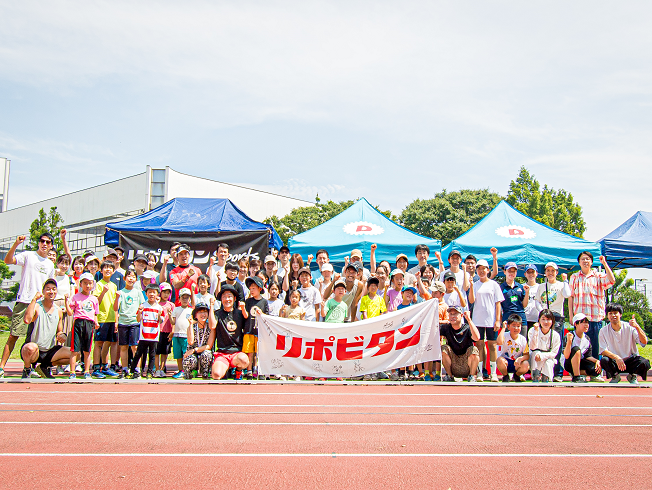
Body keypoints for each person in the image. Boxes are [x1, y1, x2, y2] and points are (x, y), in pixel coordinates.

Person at [0, 233, 55, 378]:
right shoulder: (28, 255)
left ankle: (27, 369)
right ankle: (1, 367)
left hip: (39, 305)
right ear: (38, 243)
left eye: (48, 242)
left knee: (32, 339)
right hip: (24, 301)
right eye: (42, 241)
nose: (44, 244)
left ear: (51, 246)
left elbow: (50, 286)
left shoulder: (50, 264)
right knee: (14, 335)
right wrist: (16, 244)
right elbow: (7, 260)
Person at [569, 252, 615, 363]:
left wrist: (604, 263)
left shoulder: (598, 276)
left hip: (595, 319)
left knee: (595, 347)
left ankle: (595, 372)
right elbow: (570, 297)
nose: (585, 261)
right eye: (583, 259)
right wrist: (571, 316)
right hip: (580, 320)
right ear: (579, 262)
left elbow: (612, 280)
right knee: (579, 347)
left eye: (588, 259)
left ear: (592, 262)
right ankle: (579, 372)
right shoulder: (574, 277)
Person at [20, 279, 71, 379]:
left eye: (53, 289)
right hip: (35, 350)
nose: (51, 292)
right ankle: (27, 369)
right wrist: (34, 299)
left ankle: (43, 367)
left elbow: (59, 331)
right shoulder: (37, 306)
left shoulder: (59, 310)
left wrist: (62, 335)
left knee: (75, 354)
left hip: (49, 351)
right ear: (43, 292)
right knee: (30, 348)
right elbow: (27, 320)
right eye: (48, 289)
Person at [536, 262, 571, 381]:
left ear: (557, 272)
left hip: (557, 318)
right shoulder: (541, 286)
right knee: (543, 344)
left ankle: (558, 373)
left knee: (557, 345)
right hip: (545, 316)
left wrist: (566, 281)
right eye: (548, 270)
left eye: (553, 271)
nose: (550, 273)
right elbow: (537, 301)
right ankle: (543, 372)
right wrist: (542, 313)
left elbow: (567, 294)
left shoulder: (561, 285)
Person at [599, 303, 649, 385]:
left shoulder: (630, 327)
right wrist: (616, 357)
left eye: (615, 313)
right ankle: (615, 375)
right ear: (607, 316)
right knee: (604, 360)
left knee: (644, 363)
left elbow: (644, 342)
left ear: (620, 314)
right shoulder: (603, 331)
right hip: (615, 362)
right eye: (610, 313)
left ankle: (632, 375)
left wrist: (637, 326)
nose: (613, 315)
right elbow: (603, 350)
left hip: (630, 360)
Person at [470, 259, 503, 382]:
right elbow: (472, 301)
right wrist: (472, 286)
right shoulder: (475, 284)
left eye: (484, 268)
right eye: (479, 269)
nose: (481, 271)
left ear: (488, 270)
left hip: (491, 320)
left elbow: (498, 303)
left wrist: (497, 320)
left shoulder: (494, 284)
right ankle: (480, 372)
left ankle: (493, 372)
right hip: (477, 320)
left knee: (492, 345)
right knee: (479, 345)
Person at [66, 272, 100, 379]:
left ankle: (86, 371)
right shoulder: (76, 297)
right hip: (78, 323)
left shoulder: (94, 299)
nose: (87, 286)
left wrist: (96, 322)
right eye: (85, 283)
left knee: (87, 350)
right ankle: (72, 372)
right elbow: (70, 312)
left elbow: (95, 313)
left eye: (89, 283)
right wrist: (66, 302)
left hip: (89, 324)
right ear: (80, 284)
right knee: (75, 350)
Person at [212, 285, 249, 380]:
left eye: (229, 296)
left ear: (234, 298)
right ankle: (226, 369)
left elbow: (247, 319)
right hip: (222, 353)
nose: (227, 299)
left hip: (236, 353)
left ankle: (238, 371)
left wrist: (243, 308)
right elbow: (212, 326)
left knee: (244, 360)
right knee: (216, 375)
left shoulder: (240, 313)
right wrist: (211, 307)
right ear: (221, 299)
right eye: (224, 297)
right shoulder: (217, 314)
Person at [114, 269, 145, 379]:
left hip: (134, 323)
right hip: (123, 323)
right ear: (124, 278)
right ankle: (125, 368)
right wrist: (116, 322)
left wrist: (141, 309)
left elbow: (142, 305)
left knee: (135, 347)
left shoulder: (138, 292)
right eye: (129, 276)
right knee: (123, 347)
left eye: (133, 277)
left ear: (136, 279)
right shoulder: (121, 292)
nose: (131, 278)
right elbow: (115, 308)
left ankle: (136, 369)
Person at [91, 261, 119, 379]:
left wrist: (116, 320)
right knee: (98, 343)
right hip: (101, 318)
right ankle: (96, 367)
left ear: (113, 271)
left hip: (111, 318)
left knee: (109, 343)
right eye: (105, 268)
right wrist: (103, 291)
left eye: (110, 268)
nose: (108, 270)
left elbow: (115, 305)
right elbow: (95, 302)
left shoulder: (114, 285)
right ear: (101, 271)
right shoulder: (98, 284)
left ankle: (105, 366)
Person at [129, 283, 163, 379]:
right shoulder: (143, 305)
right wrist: (139, 312)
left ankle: (149, 372)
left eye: (154, 292)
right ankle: (132, 371)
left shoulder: (159, 307)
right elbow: (138, 319)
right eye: (150, 292)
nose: (152, 294)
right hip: (143, 335)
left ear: (157, 294)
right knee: (138, 354)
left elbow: (161, 321)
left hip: (154, 335)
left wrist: (160, 315)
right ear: (146, 294)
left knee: (152, 355)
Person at [440, 306, 481, 382]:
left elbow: (477, 338)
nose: (452, 316)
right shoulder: (446, 327)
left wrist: (469, 320)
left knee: (474, 349)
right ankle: (449, 376)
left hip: (466, 364)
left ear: (461, 316)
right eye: (451, 314)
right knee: (444, 348)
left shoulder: (467, 327)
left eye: (455, 314)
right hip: (453, 363)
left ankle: (471, 376)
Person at [182, 301, 216, 380]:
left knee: (206, 354)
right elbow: (190, 342)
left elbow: (209, 346)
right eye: (200, 312)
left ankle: (205, 373)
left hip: (203, 352)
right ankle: (189, 373)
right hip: (193, 355)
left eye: (205, 312)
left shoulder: (211, 328)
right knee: (189, 358)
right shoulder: (192, 326)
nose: (203, 314)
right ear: (196, 315)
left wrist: (194, 350)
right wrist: (190, 324)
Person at [563, 313, 601, 383]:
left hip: (581, 362)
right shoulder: (570, 335)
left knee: (595, 369)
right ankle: (576, 377)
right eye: (583, 323)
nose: (586, 325)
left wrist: (597, 361)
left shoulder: (587, 338)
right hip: (569, 363)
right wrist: (569, 341)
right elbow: (566, 355)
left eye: (587, 323)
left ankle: (578, 373)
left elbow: (587, 356)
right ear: (576, 324)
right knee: (576, 349)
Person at [244, 276, 269, 379]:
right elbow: (245, 315)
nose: (252, 290)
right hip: (249, 329)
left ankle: (259, 369)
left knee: (259, 351)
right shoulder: (248, 301)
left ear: (259, 288)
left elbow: (266, 317)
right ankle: (249, 370)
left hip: (259, 331)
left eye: (254, 288)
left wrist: (261, 314)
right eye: (250, 288)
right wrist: (242, 308)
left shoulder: (264, 302)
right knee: (250, 351)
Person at [528, 309, 561, 383]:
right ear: (539, 320)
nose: (546, 322)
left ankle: (546, 379)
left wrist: (542, 356)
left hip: (548, 357)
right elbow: (532, 347)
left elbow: (554, 353)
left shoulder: (555, 335)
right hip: (535, 356)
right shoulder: (532, 330)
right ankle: (535, 376)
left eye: (548, 320)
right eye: (543, 319)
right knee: (535, 353)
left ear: (552, 321)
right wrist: (536, 332)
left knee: (548, 362)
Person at [496, 315, 530, 382]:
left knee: (526, 364)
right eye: (513, 325)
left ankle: (516, 376)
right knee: (499, 360)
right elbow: (499, 342)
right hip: (506, 362)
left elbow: (527, 355)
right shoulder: (505, 335)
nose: (516, 328)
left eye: (518, 326)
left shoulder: (522, 339)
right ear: (508, 327)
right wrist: (503, 328)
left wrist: (520, 359)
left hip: (517, 364)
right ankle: (505, 376)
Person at [170, 288, 193, 379]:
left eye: (187, 298)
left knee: (185, 354)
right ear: (179, 299)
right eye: (183, 297)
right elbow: (173, 322)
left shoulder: (191, 310)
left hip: (186, 335)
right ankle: (180, 370)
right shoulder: (176, 309)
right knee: (178, 355)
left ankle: (186, 370)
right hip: (177, 335)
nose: (185, 299)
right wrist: (169, 314)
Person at [154, 282, 175, 377]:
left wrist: (172, 331)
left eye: (168, 292)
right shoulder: (156, 303)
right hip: (157, 331)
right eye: (164, 292)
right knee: (156, 351)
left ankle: (162, 368)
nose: (166, 295)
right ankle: (156, 369)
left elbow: (173, 320)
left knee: (165, 352)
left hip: (167, 331)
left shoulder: (171, 305)